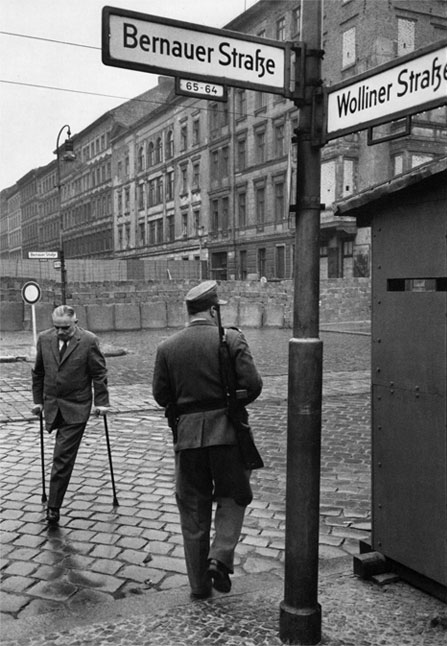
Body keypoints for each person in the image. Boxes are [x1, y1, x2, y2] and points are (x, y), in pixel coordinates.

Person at [152, 281, 262, 599]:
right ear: (213, 310)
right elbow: (253, 384)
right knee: (234, 495)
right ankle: (220, 556)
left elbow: (160, 395)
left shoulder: (167, 347)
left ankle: (199, 586)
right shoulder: (231, 338)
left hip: (187, 439)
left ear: (189, 312)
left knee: (192, 510)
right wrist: (230, 402)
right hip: (227, 434)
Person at [31, 305, 109, 524]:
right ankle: (53, 502)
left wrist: (101, 402)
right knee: (60, 455)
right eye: (56, 327)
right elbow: (38, 372)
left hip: (76, 407)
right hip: (52, 404)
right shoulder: (44, 339)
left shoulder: (88, 341)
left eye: (65, 328)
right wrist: (38, 401)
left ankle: (53, 507)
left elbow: (99, 373)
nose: (60, 332)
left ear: (75, 323)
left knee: (62, 456)